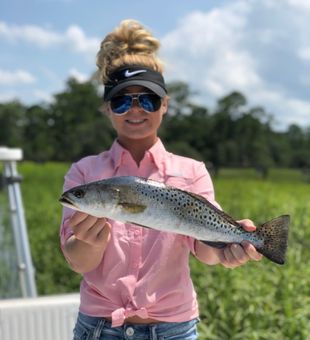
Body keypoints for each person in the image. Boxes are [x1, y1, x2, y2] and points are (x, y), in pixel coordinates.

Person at [60, 19, 262, 340]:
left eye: (148, 99)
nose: (135, 109)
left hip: (174, 330)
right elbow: (78, 262)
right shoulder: (84, 172)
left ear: (165, 105)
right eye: (122, 100)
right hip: (100, 328)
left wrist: (228, 248)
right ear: (107, 109)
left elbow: (206, 253)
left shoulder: (192, 171)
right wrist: (88, 241)